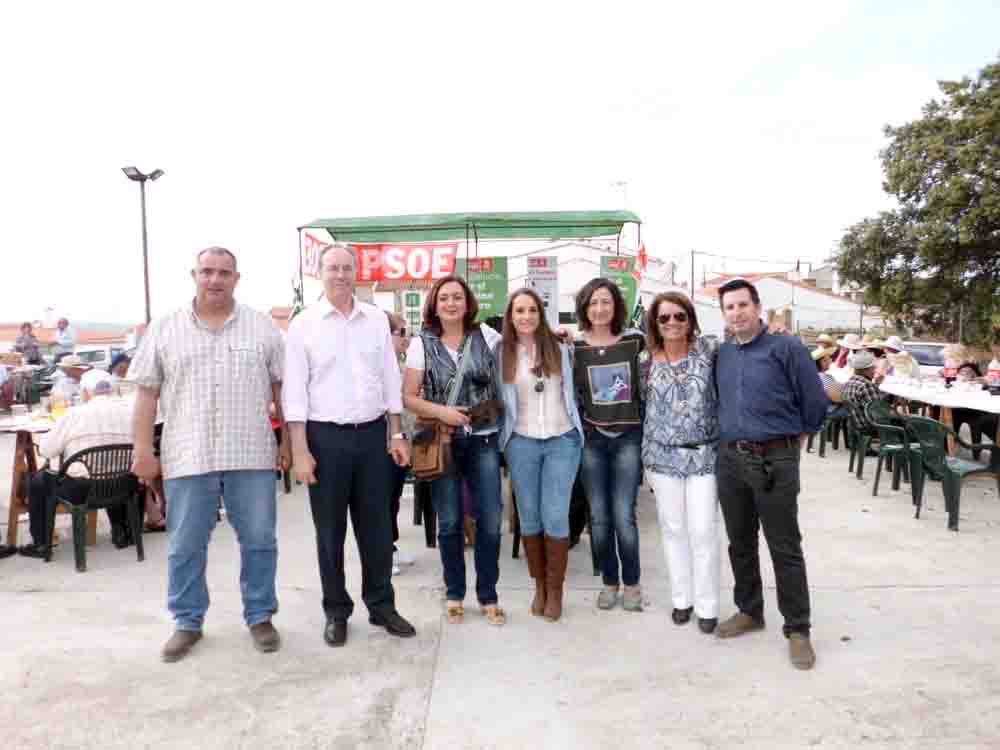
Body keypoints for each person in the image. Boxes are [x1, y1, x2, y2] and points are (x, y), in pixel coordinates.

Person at [129, 246, 289, 663]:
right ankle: (187, 621)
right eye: (207, 271)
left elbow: (282, 390)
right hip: (188, 453)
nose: (215, 279)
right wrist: (143, 449)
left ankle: (260, 615)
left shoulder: (263, 328)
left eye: (224, 272)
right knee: (185, 544)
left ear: (237, 278)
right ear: (194, 275)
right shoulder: (165, 328)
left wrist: (289, 443)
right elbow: (145, 395)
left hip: (250, 453)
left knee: (259, 540)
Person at [284, 243, 415, 648]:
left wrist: (396, 433)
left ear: (356, 273)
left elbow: (389, 379)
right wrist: (300, 451)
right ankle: (336, 611)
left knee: (377, 528)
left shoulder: (375, 320)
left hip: (373, 436)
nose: (340, 275)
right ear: (320, 273)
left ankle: (381, 605)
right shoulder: (303, 325)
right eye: (333, 268)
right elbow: (295, 394)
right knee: (330, 532)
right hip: (325, 438)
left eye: (346, 268)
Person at [714, 278, 827, 670]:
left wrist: (796, 439)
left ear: (757, 307)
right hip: (730, 459)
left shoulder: (786, 347)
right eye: (730, 307)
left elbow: (815, 400)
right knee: (739, 541)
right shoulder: (723, 353)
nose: (737, 313)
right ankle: (750, 610)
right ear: (723, 314)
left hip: (775, 458)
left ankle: (798, 629)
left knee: (784, 545)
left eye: (743, 305)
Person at [402, 274, 506, 626]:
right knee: (448, 522)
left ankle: (488, 594)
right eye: (444, 297)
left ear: (467, 302)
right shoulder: (421, 344)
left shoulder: (487, 336)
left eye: (457, 297)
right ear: (434, 304)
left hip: (484, 438)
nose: (451, 303)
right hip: (443, 440)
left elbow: (522, 347)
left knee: (490, 519)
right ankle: (454, 593)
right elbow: (409, 397)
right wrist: (441, 412)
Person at [496, 288, 583, 622]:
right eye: (519, 310)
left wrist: (571, 336)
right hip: (521, 442)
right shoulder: (500, 352)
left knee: (555, 515)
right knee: (529, 517)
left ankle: (556, 590)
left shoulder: (560, 348)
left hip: (562, 440)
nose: (526, 316)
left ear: (541, 314)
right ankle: (540, 587)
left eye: (532, 310)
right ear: (510, 316)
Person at [642, 292, 721, 634]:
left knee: (703, 530)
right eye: (664, 318)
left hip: (704, 456)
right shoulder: (645, 360)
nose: (672, 323)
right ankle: (682, 600)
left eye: (679, 316)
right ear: (655, 323)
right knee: (673, 529)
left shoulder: (709, 351)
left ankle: (708, 605)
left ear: (690, 319)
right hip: (661, 458)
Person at [572, 278, 646, 612]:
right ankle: (609, 582)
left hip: (628, 438)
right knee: (599, 517)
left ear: (616, 305)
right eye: (593, 303)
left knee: (624, 515)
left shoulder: (635, 341)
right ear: (584, 308)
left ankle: (632, 584)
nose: (599, 309)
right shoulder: (575, 347)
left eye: (606, 301)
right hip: (592, 440)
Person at [17, 370, 137, 558]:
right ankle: (122, 531)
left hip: (81, 490)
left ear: (86, 392)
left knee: (37, 481)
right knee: (111, 467)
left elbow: (47, 450)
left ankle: (41, 543)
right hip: (123, 486)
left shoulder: (75, 414)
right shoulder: (131, 412)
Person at [386, 312, 416, 576]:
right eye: (401, 333)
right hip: (385, 442)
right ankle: (383, 554)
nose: (407, 338)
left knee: (393, 498)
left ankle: (391, 546)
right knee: (383, 500)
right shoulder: (381, 368)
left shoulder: (401, 363)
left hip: (403, 440)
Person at [841, 350, 882, 436]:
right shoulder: (866, 385)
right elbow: (878, 413)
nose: (875, 371)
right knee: (908, 423)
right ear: (865, 370)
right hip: (870, 427)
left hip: (857, 425)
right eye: (873, 368)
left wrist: (875, 385)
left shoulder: (849, 382)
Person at [813, 347, 847, 417]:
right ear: (821, 362)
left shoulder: (815, 375)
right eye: (827, 359)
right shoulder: (823, 377)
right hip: (831, 411)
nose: (830, 361)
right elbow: (837, 398)